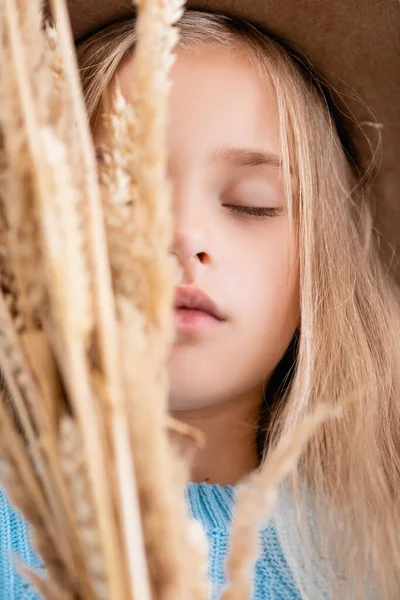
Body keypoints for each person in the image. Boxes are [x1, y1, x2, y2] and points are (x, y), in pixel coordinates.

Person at [1, 2, 400, 598]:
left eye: (252, 201)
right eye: (125, 197)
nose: (183, 234)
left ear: (322, 264)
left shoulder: (375, 558)